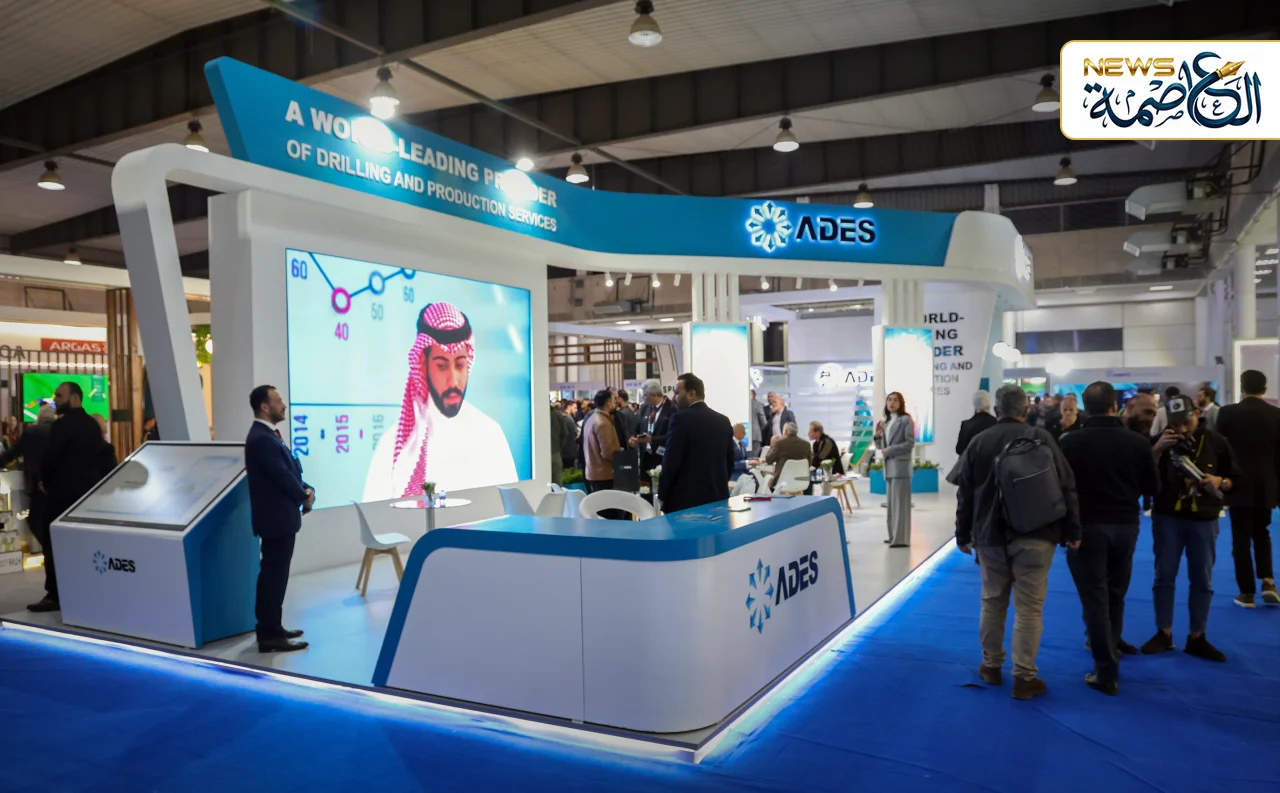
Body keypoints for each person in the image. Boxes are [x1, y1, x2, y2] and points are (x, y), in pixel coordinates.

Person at [955, 385, 1081, 700]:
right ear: (1026, 410)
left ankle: (991, 666)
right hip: (1037, 534)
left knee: (992, 601)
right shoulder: (1042, 438)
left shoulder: (979, 441)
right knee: (1029, 608)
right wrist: (1073, 530)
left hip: (989, 535)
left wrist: (962, 533)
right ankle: (1024, 677)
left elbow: (964, 492)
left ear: (997, 410)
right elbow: (1067, 486)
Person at [1060, 382, 1159, 696]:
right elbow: (1152, 487)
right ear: (1115, 406)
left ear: (1085, 407)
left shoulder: (1070, 442)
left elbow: (1061, 489)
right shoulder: (1137, 443)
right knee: (1115, 593)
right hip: (1125, 525)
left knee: (1095, 598)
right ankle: (1109, 652)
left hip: (1086, 527)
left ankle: (1106, 669)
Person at [363, 302, 516, 501]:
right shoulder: (392, 446)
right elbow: (373, 514)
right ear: (423, 364)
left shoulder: (489, 435)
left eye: (460, 365)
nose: (453, 381)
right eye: (442, 366)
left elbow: (511, 510)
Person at [1143, 393, 1237, 662]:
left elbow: (1235, 479)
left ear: (1197, 413)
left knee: (1202, 580)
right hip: (1167, 517)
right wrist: (1156, 450)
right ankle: (1163, 632)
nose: (1182, 429)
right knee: (1164, 576)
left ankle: (1197, 636)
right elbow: (1142, 478)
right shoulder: (1159, 442)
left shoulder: (1217, 442)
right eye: (1176, 424)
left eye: (1186, 422)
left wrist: (1220, 481)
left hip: (1204, 520)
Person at [33, 382, 117, 613]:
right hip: (86, 498)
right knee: (81, 546)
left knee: (53, 546)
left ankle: (54, 595)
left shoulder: (62, 425)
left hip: (60, 496)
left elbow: (50, 459)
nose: (55, 400)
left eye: (60, 395)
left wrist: (45, 482)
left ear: (74, 398)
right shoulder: (91, 426)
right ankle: (82, 590)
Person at [244, 385, 313, 653]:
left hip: (280, 518)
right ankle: (269, 634)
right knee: (273, 577)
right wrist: (304, 496)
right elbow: (281, 477)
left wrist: (306, 488)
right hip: (275, 520)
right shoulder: (261, 438)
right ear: (265, 406)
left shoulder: (269, 436)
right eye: (278, 400)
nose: (283, 405)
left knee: (276, 576)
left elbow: (290, 471)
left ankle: (273, 627)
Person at [1213, 370, 1280, 608]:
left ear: (1242, 387)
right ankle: (1268, 582)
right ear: (1264, 388)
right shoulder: (1276, 414)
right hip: (1267, 484)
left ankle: (1246, 593)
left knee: (1240, 539)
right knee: (1263, 533)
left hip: (1237, 483)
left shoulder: (1227, 412)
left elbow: (1218, 448)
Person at [0, 407, 55, 608]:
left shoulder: (32, 433)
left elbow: (11, 454)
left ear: (39, 419)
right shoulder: (59, 432)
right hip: (59, 490)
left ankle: (51, 554)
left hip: (39, 489)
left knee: (36, 523)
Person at [658, 373, 734, 513]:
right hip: (717, 499)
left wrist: (661, 495)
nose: (674, 398)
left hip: (685, 503)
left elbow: (671, 461)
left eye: (677, 393)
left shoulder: (680, 419)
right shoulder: (723, 421)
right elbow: (729, 462)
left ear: (691, 394)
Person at [875, 392, 916, 548]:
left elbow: (909, 443)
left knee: (900, 506)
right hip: (889, 468)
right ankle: (893, 536)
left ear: (901, 403)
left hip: (900, 468)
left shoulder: (905, 420)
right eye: (889, 400)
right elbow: (881, 447)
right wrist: (878, 436)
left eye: (895, 400)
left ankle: (901, 539)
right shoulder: (886, 422)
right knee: (892, 506)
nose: (891, 403)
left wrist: (889, 450)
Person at [630, 379, 677, 474]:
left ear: (654, 395)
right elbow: (637, 428)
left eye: (645, 395)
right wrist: (633, 438)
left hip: (663, 457)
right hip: (645, 457)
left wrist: (652, 440)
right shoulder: (644, 407)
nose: (643, 398)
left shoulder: (673, 409)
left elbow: (674, 436)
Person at [582, 389, 621, 497]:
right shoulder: (603, 423)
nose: (616, 402)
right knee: (608, 506)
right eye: (614, 399)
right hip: (604, 474)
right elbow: (607, 452)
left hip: (594, 472)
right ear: (608, 403)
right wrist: (620, 457)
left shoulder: (592, 419)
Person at [764, 421, 810, 492]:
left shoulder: (779, 443)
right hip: (801, 481)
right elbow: (809, 464)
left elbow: (769, 460)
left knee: (766, 479)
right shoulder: (806, 444)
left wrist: (772, 445)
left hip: (782, 482)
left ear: (785, 431)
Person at [956, 390, 997, 455]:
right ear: (989, 403)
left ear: (974, 404)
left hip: (972, 460)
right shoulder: (996, 423)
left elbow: (959, 449)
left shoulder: (966, 425)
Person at [549, 401, 567, 486]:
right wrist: (559, 447)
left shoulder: (533, 413)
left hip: (537, 455)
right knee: (557, 483)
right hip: (555, 452)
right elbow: (565, 434)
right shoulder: (558, 415)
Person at [558, 402, 579, 473]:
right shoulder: (567, 419)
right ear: (569, 407)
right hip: (568, 452)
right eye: (575, 408)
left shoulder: (566, 418)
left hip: (566, 452)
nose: (576, 410)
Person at [749, 389, 769, 456]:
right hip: (756, 434)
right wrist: (760, 430)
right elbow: (763, 421)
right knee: (755, 456)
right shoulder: (758, 405)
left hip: (743, 434)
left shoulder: (742, 404)